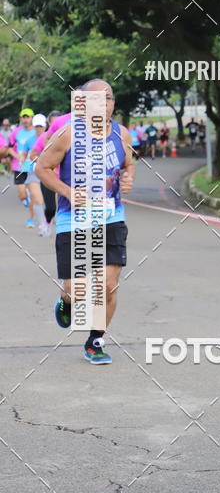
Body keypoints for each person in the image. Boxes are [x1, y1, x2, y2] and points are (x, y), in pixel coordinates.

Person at [36, 79, 135, 365]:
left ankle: (95, 341)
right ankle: (66, 302)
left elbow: (129, 164)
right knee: (78, 290)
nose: (104, 105)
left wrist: (128, 179)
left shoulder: (121, 134)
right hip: (73, 219)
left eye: (109, 99)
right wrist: (67, 192)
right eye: (97, 100)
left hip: (111, 216)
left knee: (108, 285)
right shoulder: (67, 135)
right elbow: (41, 168)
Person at [9, 109, 37, 227]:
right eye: (23, 117)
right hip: (19, 166)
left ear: (32, 118)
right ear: (20, 119)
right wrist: (18, 156)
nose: (25, 120)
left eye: (28, 117)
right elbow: (9, 148)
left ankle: (31, 219)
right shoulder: (16, 132)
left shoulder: (37, 132)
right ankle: (26, 199)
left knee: (33, 193)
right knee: (22, 194)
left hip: (32, 166)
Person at [25, 114, 50, 236]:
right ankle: (42, 225)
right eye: (37, 126)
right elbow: (24, 155)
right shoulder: (29, 140)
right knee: (37, 199)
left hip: (48, 172)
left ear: (45, 126)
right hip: (32, 172)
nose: (39, 128)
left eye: (41, 126)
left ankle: (47, 221)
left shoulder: (51, 138)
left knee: (49, 203)